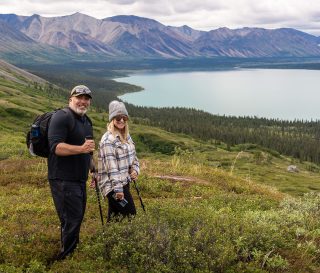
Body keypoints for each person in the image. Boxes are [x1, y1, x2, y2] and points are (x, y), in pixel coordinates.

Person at [47, 85, 95, 260]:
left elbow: (88, 151)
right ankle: (66, 259)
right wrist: (81, 148)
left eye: (86, 99)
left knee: (77, 217)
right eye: (79, 98)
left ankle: (71, 253)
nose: (83, 102)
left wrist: (93, 170)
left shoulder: (86, 121)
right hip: (63, 179)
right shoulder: (62, 117)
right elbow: (56, 147)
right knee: (71, 219)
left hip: (79, 179)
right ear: (70, 99)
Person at [97, 100, 139, 221]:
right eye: (117, 118)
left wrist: (135, 169)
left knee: (116, 217)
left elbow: (134, 157)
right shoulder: (108, 140)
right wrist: (118, 190)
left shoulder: (126, 136)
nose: (121, 120)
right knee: (130, 214)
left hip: (124, 181)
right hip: (113, 186)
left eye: (124, 118)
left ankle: (109, 239)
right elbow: (112, 168)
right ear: (112, 119)